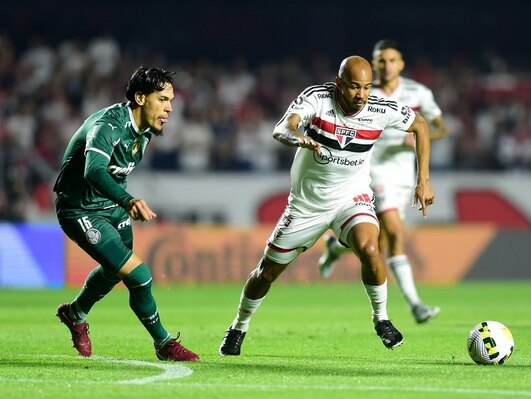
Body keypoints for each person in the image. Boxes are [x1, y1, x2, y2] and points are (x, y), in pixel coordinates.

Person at [219, 55, 434, 356]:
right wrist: (298, 138)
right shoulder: (316, 99)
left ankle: (381, 319)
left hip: (352, 196)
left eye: (367, 87)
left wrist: (422, 179)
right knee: (266, 272)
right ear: (338, 84)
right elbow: (281, 128)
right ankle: (238, 327)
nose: (361, 95)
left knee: (370, 249)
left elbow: (421, 126)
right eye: (354, 87)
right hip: (308, 205)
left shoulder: (378, 109)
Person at [54, 67, 199, 362]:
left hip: (112, 206)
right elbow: (93, 170)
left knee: (115, 270)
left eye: (171, 100)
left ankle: (75, 314)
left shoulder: (145, 129)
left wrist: (121, 201)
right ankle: (164, 343)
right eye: (163, 99)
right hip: (80, 208)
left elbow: (116, 169)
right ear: (140, 98)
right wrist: (128, 200)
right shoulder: (107, 126)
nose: (170, 107)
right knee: (140, 275)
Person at [318, 39, 448, 324]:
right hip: (371, 173)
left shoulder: (418, 92)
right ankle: (416, 306)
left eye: (392, 60)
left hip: (403, 176)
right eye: (380, 60)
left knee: (379, 241)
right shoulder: (363, 92)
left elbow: (439, 127)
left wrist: (412, 137)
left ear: (401, 64)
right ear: (373, 64)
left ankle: (335, 247)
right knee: (395, 232)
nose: (386, 65)